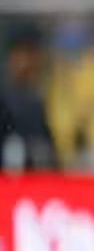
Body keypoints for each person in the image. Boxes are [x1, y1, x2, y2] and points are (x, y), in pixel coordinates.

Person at [0, 32, 60, 172]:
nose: (28, 62)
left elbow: (49, 153)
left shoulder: (37, 103)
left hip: (34, 178)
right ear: (11, 58)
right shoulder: (4, 102)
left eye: (33, 54)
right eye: (22, 54)